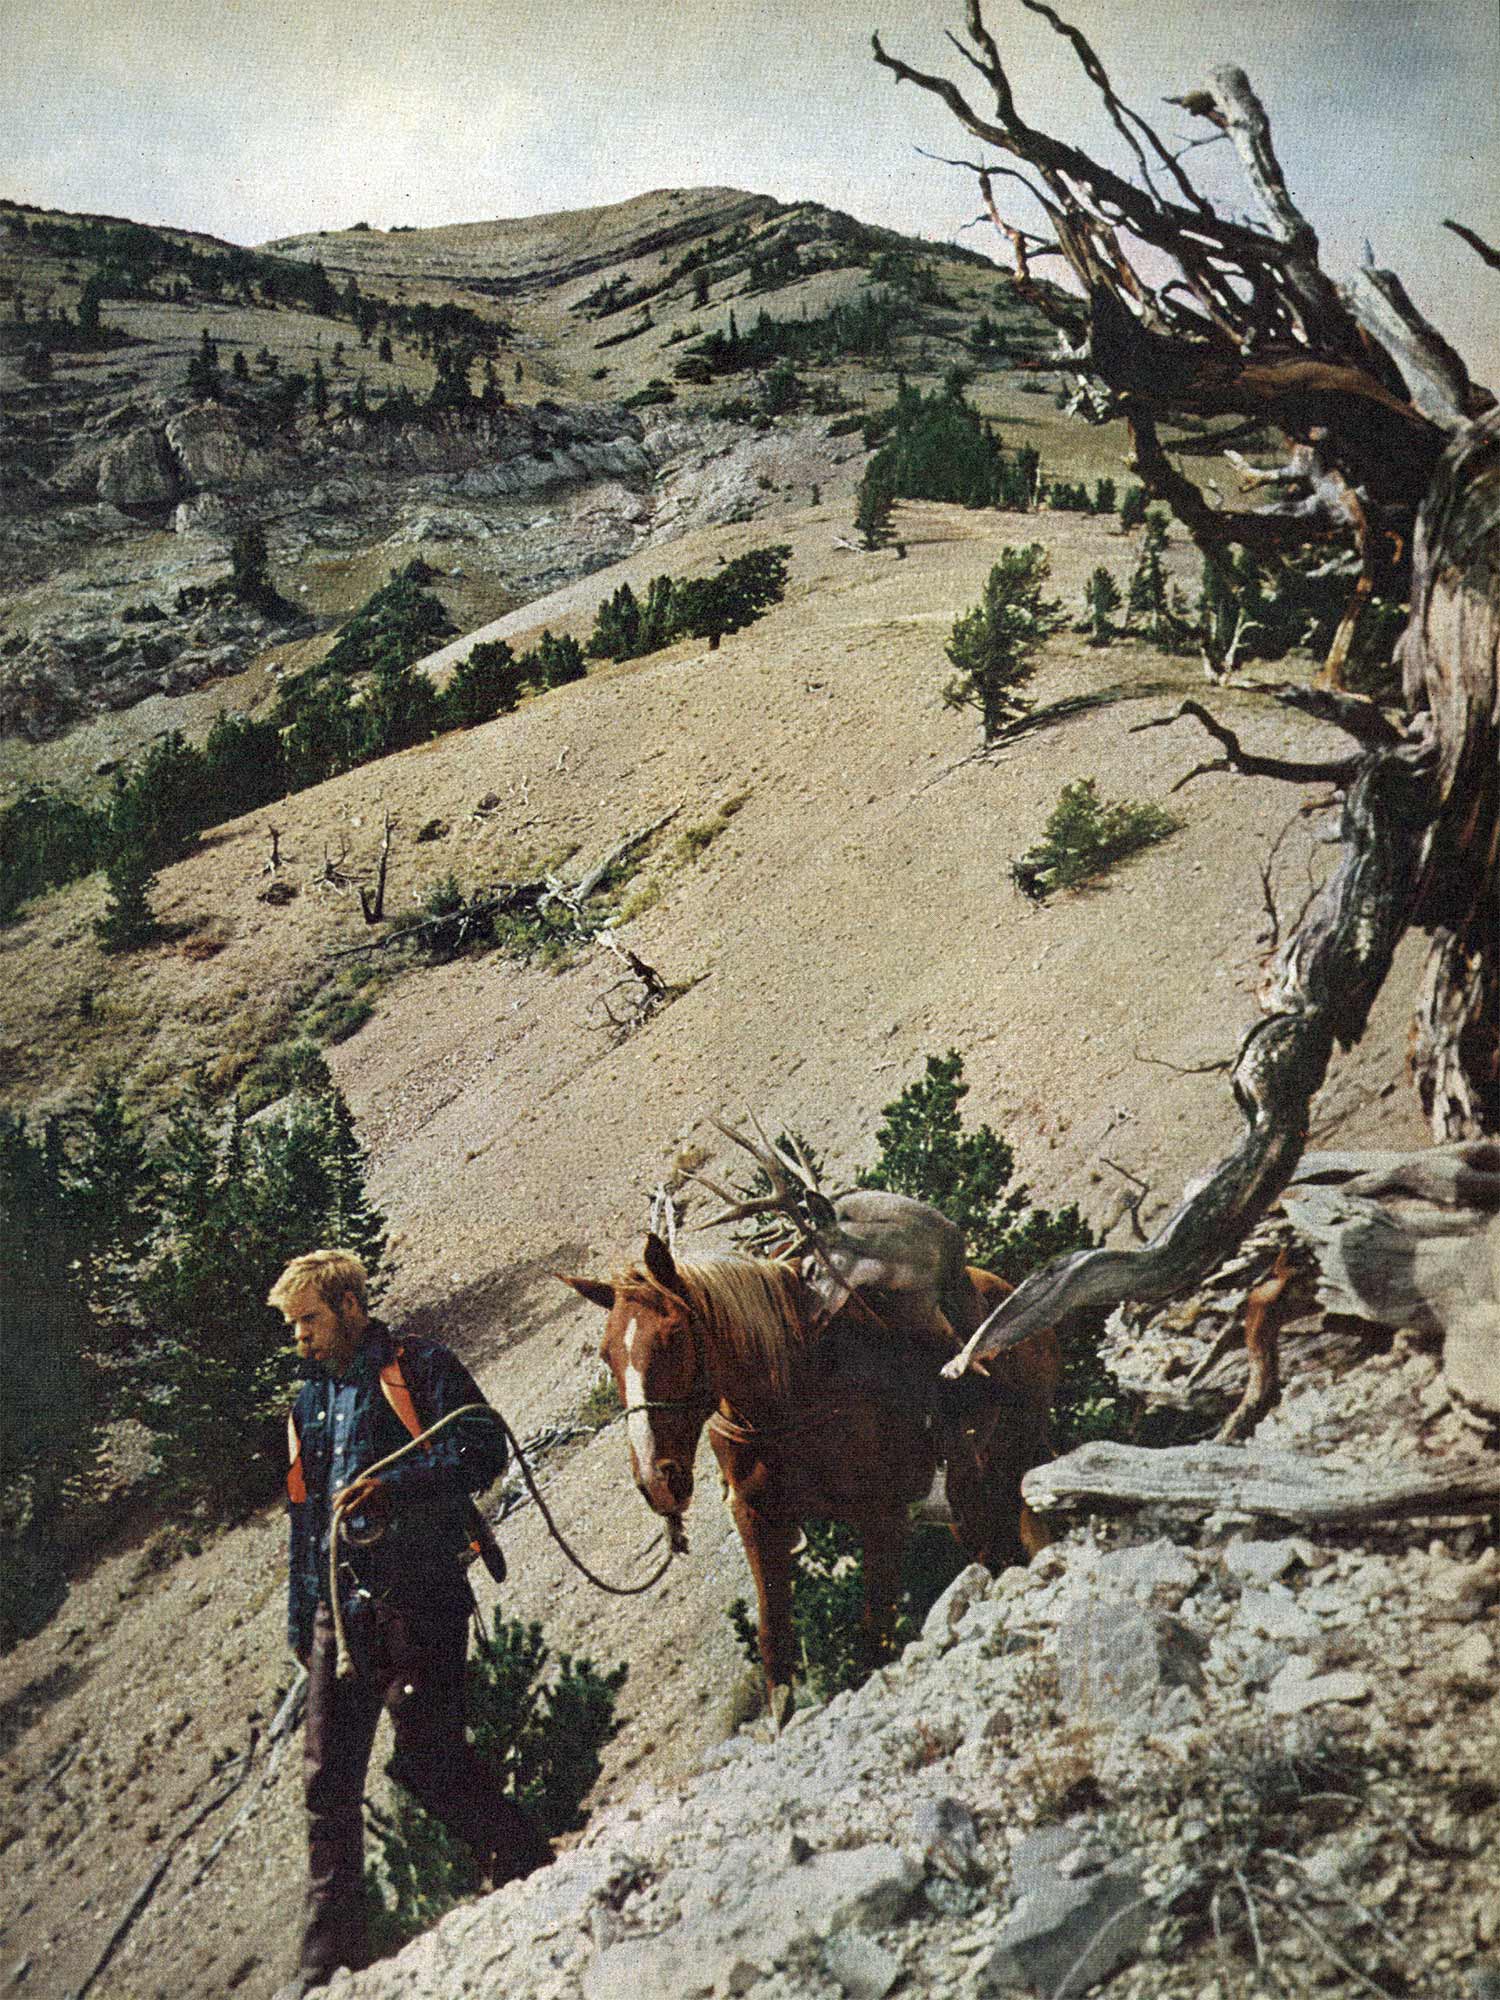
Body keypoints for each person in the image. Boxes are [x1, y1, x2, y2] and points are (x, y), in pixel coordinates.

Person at [269, 1249, 549, 1999]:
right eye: (293, 1326)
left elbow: (481, 1445)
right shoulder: (307, 1407)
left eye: (310, 1321)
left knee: (427, 1758)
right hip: (338, 1610)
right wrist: (306, 1622)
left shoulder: (418, 1366)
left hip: (417, 1595)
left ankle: (527, 1864)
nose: (300, 1339)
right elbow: (304, 1520)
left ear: (352, 1306)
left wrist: (390, 1489)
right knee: (327, 1783)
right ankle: (328, 1963)